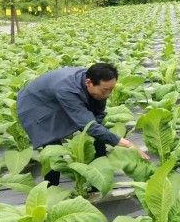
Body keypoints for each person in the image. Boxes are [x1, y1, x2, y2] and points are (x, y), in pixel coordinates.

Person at [17, 63, 149, 185]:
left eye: (111, 90)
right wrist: (127, 143)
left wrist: (100, 133)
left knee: (98, 133)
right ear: (88, 83)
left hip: (56, 94)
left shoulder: (96, 85)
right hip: (35, 104)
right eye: (104, 90)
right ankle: (51, 187)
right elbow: (89, 126)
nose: (108, 95)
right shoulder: (67, 90)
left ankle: (97, 179)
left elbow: (97, 118)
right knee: (52, 146)